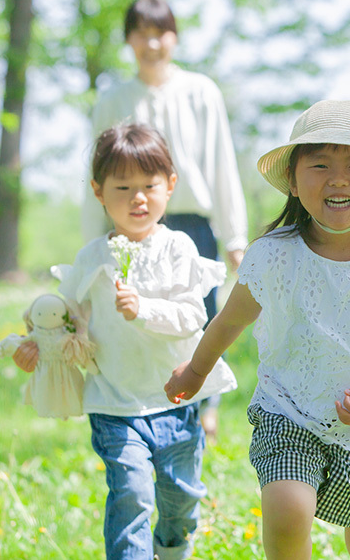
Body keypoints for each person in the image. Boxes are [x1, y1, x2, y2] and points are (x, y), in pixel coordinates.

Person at [164, 100, 350, 560]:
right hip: (289, 410)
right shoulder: (276, 258)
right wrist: (196, 371)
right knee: (288, 509)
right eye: (320, 165)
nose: (337, 178)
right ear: (294, 183)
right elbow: (231, 318)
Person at [15, 123, 237, 559]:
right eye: (123, 187)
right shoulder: (93, 256)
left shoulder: (178, 248)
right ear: (99, 192)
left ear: (170, 186)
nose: (138, 197)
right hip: (115, 403)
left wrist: (145, 309)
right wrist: (38, 346)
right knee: (131, 493)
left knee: (181, 499)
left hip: (174, 398)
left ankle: (171, 550)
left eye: (149, 185)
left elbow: (195, 316)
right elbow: (68, 321)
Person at [83, 0, 248, 438]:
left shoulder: (200, 91)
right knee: (141, 316)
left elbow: (221, 164)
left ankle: (203, 405)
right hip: (131, 227)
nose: (152, 43)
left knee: (202, 314)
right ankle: (146, 404)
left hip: (192, 220)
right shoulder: (113, 98)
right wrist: (90, 241)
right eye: (141, 33)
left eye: (161, 32)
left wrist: (235, 237)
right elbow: (96, 174)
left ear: (174, 37)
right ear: (129, 40)